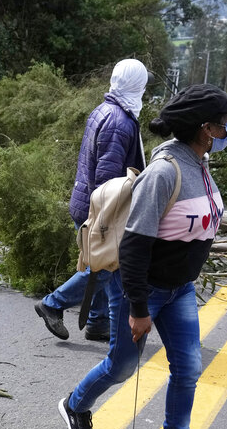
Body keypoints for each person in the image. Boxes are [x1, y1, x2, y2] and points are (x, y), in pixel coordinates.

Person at [57, 84, 227, 429]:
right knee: (122, 367)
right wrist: (140, 309)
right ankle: (75, 405)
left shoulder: (200, 163)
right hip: (143, 290)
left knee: (188, 368)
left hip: (181, 289)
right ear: (206, 129)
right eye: (225, 121)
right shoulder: (165, 172)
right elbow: (134, 246)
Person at [34, 58, 149, 342]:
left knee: (100, 263)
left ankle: (98, 323)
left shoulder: (105, 110)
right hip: (99, 209)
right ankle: (52, 304)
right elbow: (108, 181)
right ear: (138, 86)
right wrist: (107, 221)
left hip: (86, 203)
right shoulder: (119, 123)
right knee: (103, 266)